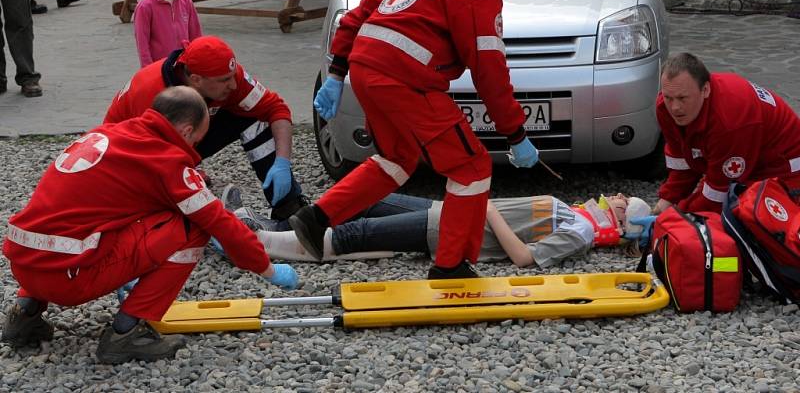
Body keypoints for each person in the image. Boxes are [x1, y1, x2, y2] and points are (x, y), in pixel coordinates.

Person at [291, 0, 539, 280]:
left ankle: (317, 217)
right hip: (406, 80)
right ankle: (449, 265)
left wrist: (336, 74)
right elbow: (490, 74)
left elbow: (356, 17)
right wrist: (515, 134)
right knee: (471, 168)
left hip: (365, 70)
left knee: (398, 158)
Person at [1, 86, 298, 363]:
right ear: (186, 130)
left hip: (24, 266)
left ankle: (24, 316)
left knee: (72, 221)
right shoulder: (166, 161)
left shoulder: (107, 133)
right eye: (196, 140)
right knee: (192, 227)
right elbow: (221, 222)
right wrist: (267, 269)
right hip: (67, 279)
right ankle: (125, 334)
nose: (195, 150)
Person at [104, 35, 307, 221]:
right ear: (196, 80)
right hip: (129, 156)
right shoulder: (151, 95)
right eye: (225, 80)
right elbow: (147, 162)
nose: (234, 85)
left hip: (181, 139)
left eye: (232, 76)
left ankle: (288, 206)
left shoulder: (225, 74)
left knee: (257, 117)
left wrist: (282, 163)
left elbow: (276, 109)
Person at [227, 188, 651, 268]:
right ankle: (275, 225)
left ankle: (254, 242)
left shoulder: (579, 233)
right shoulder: (578, 218)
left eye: (621, 201)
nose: (614, 196)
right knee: (365, 198)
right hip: (450, 212)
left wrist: (487, 211)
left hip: (452, 228)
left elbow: (524, 258)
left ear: (619, 218)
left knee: (357, 234)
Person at [655, 52, 800, 215]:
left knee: (751, 222)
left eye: (682, 98)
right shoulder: (664, 108)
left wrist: (677, 215)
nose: (674, 107)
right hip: (747, 157)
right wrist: (664, 203)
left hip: (785, 168)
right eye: (668, 97)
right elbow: (683, 163)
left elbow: (717, 197)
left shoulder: (730, 122)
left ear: (705, 90)